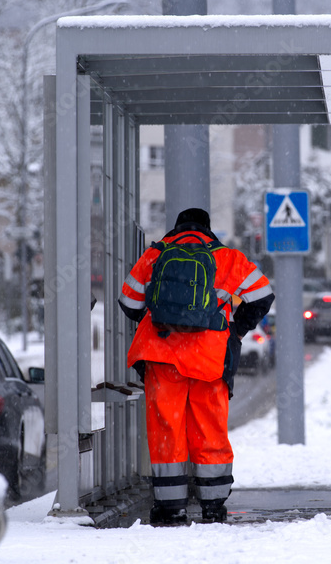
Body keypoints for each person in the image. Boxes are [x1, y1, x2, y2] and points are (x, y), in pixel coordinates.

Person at [117, 208, 274, 526]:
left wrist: (163, 317)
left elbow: (129, 302)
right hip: (209, 359)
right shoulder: (226, 257)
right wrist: (236, 330)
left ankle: (170, 507)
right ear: (208, 229)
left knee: (167, 431)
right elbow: (262, 295)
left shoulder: (156, 253)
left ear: (176, 228)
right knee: (209, 430)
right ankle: (213, 506)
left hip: (162, 357)